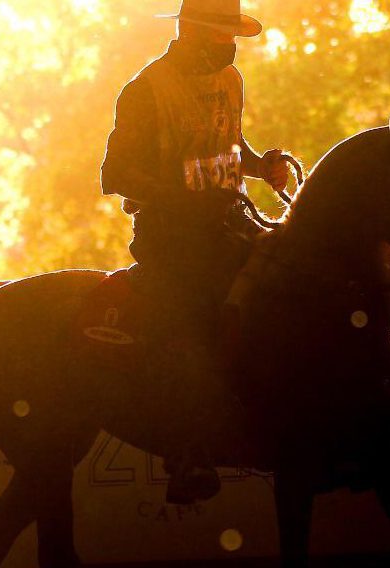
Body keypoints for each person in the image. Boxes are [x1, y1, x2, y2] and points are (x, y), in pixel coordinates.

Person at [100, 0, 291, 504]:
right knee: (186, 321)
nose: (232, 46)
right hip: (171, 237)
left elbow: (231, 142)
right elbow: (115, 173)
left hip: (232, 221)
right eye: (223, 35)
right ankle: (185, 450)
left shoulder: (229, 80)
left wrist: (259, 166)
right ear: (194, 32)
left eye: (233, 36)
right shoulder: (145, 91)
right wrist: (183, 201)